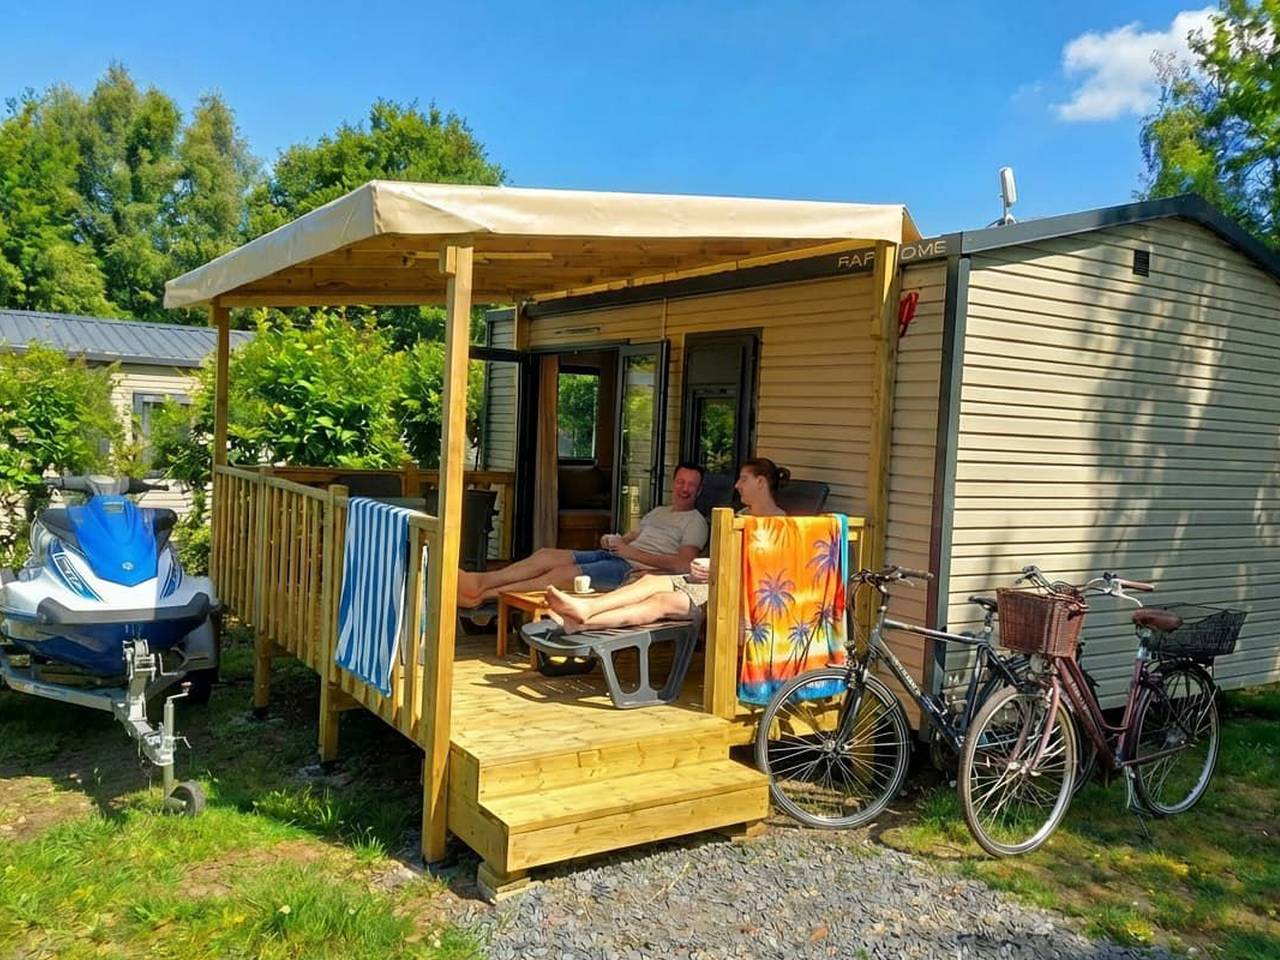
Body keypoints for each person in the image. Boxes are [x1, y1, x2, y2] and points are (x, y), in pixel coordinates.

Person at [545, 458, 790, 631]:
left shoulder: (779, 525)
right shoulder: (742, 515)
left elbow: (763, 571)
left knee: (660, 601)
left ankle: (581, 621)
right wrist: (709, 565)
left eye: (743, 479)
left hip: (733, 592)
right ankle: (587, 608)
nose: (737, 485)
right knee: (649, 580)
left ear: (760, 482)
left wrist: (715, 568)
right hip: (711, 581)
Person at [457, 462, 708, 608]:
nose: (684, 489)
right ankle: (481, 581)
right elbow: (631, 537)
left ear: (699, 490)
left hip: (629, 571)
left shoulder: (695, 522)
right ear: (673, 483)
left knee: (558, 575)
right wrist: (614, 540)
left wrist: (632, 553)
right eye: (680, 482)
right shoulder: (658, 511)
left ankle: (483, 595)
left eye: (691, 485)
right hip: (615, 557)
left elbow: (684, 564)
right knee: (546, 556)